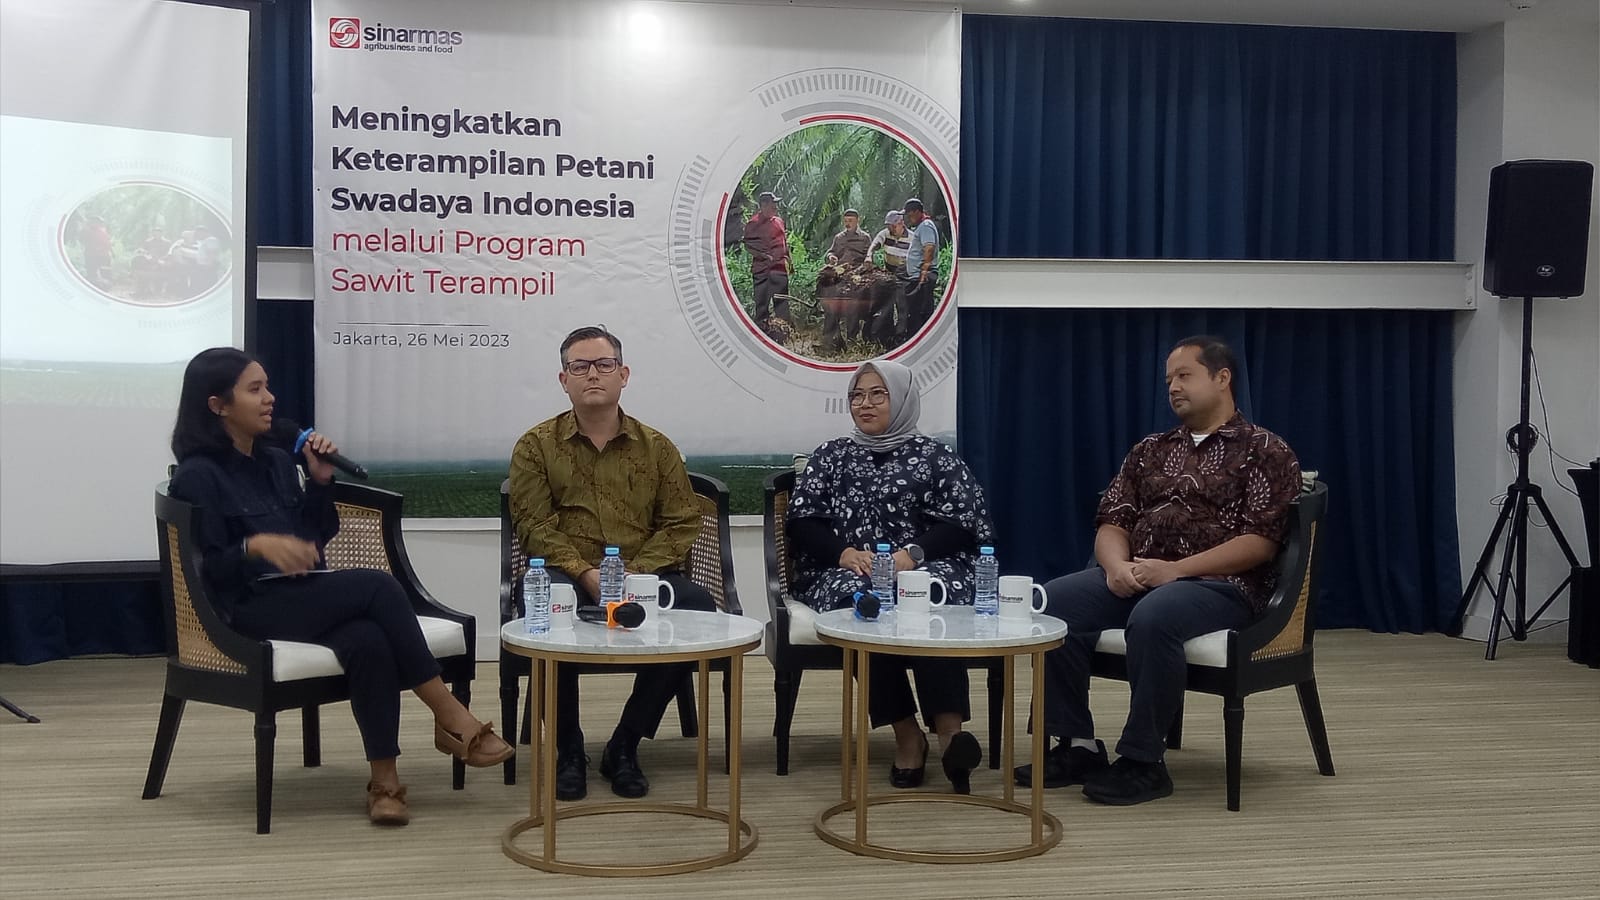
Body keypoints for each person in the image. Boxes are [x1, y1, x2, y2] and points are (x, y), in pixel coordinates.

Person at [167, 348, 513, 827]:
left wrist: (321, 482)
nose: (270, 398)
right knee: (377, 587)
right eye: (254, 389)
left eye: (267, 386)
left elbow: (312, 539)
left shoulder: (272, 462)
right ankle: (450, 715)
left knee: (368, 641)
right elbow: (205, 576)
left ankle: (385, 784)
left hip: (301, 594)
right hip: (247, 608)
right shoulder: (197, 477)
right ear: (217, 405)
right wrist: (255, 547)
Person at [1015, 336, 1301, 806]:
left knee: (1155, 616)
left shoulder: (1264, 450)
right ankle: (1076, 744)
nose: (1173, 387)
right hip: (1140, 573)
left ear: (1222, 378)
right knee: (1054, 603)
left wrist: (1176, 571)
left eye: (1184, 375)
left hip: (1222, 585)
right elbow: (1113, 519)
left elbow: (1260, 542)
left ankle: (1144, 761)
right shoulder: (1150, 448)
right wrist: (1114, 566)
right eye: (1169, 379)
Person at [508, 325, 719, 801]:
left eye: (604, 365)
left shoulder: (657, 447)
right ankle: (568, 749)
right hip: (565, 570)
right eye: (579, 367)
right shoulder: (535, 446)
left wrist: (637, 574)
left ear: (624, 375)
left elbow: (683, 521)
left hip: (642, 574)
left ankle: (625, 743)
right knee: (546, 612)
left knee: (699, 608)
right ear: (564, 380)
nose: (593, 375)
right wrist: (586, 574)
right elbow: (533, 524)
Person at [787, 360, 994, 793]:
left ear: (900, 399)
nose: (865, 404)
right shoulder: (831, 455)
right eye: (857, 396)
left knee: (926, 598)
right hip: (850, 570)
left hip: (920, 564)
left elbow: (962, 522)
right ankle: (906, 732)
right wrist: (843, 553)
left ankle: (950, 735)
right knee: (863, 609)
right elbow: (803, 521)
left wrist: (911, 555)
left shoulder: (936, 456)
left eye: (877, 394)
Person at [741, 191, 792, 334]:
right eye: (772, 204)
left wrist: (789, 259)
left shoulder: (779, 221)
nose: (775, 206)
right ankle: (762, 336)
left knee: (782, 303)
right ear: (763, 205)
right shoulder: (753, 223)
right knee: (762, 305)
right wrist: (763, 256)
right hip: (762, 271)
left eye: (775, 203)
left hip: (780, 269)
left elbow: (784, 241)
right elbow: (749, 246)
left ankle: (784, 335)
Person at [865, 211, 912, 343]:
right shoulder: (885, 233)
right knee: (886, 306)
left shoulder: (912, 238)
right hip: (889, 274)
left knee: (902, 306)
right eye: (889, 226)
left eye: (893, 226)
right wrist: (869, 256)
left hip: (904, 275)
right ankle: (886, 334)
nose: (890, 229)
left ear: (901, 223)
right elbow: (874, 245)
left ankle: (900, 336)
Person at [898, 198, 940, 341]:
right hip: (917, 276)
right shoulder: (922, 226)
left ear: (916, 212)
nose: (909, 219)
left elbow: (929, 247)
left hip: (924, 277)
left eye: (910, 215)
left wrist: (924, 270)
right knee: (916, 310)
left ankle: (920, 341)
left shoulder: (926, 226)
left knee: (920, 311)